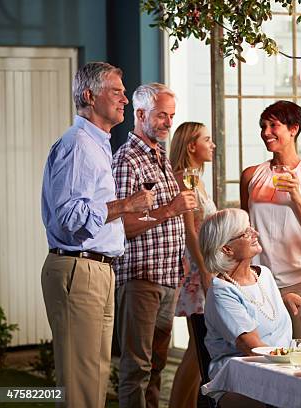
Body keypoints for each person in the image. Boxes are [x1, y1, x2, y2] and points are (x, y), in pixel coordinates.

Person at [40, 62, 154, 408]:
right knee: (79, 387)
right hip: (79, 269)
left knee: (93, 382)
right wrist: (126, 205)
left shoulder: (97, 144)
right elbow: (69, 218)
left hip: (97, 270)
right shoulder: (79, 145)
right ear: (89, 96)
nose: (125, 99)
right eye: (116, 92)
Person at [111, 83, 197, 408]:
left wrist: (182, 258)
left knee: (157, 367)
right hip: (140, 279)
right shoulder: (126, 161)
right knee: (137, 369)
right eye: (162, 115)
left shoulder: (160, 156)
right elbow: (123, 226)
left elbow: (166, 220)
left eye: (171, 116)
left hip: (167, 277)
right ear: (141, 113)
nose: (168, 123)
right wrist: (170, 210)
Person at [240, 100, 301, 339]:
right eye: (263, 126)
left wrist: (296, 198)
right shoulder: (251, 175)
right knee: (266, 362)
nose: (266, 133)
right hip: (262, 285)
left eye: (273, 125)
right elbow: (245, 230)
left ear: (294, 129)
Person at [201, 208, 301, 408]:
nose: (255, 233)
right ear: (227, 249)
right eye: (246, 233)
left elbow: (259, 309)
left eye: (251, 227)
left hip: (279, 370)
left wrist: (284, 298)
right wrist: (298, 362)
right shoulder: (221, 291)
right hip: (242, 379)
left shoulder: (263, 274)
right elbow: (253, 348)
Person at [168, 122, 216, 408]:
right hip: (196, 273)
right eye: (207, 140)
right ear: (191, 146)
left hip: (201, 269)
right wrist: (207, 272)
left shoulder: (196, 179)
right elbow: (190, 232)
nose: (212, 145)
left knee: (197, 348)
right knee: (198, 349)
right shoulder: (186, 178)